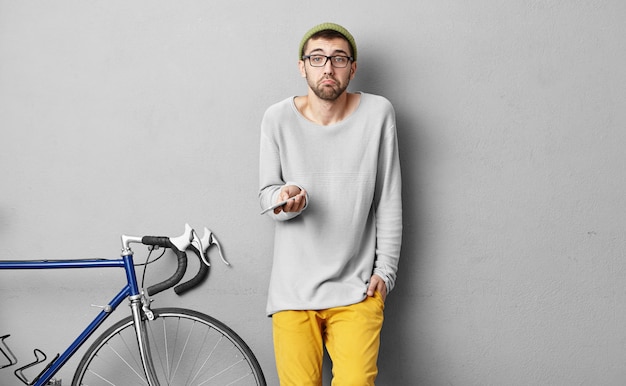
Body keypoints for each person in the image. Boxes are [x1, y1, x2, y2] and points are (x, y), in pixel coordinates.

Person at [258, 22, 402, 385]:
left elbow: (387, 198)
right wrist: (284, 200)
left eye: (338, 59)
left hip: (356, 293)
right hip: (292, 293)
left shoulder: (378, 113)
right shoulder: (277, 118)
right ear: (302, 65)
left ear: (352, 68)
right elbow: (267, 193)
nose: (328, 68)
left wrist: (385, 273)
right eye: (317, 58)